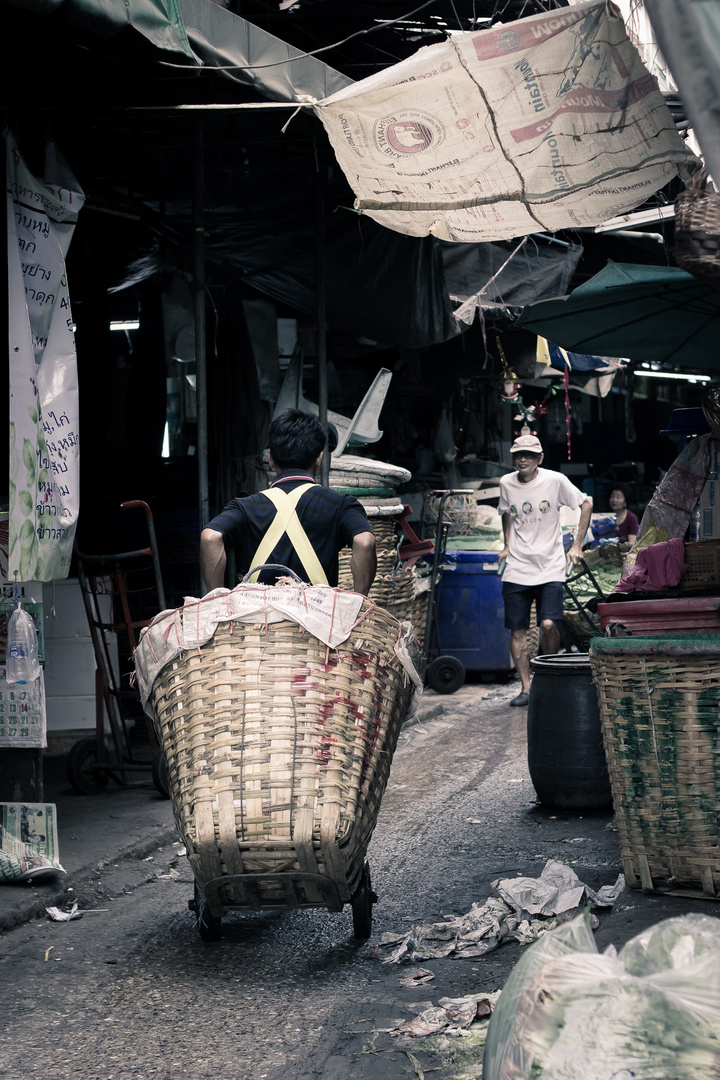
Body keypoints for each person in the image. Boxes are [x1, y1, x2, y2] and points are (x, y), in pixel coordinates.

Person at [200, 409, 377, 595]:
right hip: (320, 619)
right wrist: (360, 601)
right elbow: (364, 542)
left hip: (259, 620)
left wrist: (217, 600)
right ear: (319, 458)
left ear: (270, 460)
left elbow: (210, 537)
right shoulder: (342, 504)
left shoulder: (244, 506)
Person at [498, 433, 593, 708]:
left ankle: (546, 677)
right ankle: (527, 687)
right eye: (518, 454)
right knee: (517, 632)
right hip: (516, 568)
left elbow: (585, 502)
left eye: (529, 454)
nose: (523, 459)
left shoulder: (555, 480)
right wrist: (506, 544)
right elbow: (505, 511)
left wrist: (577, 545)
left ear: (540, 458)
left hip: (550, 566)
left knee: (549, 624)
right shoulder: (506, 483)